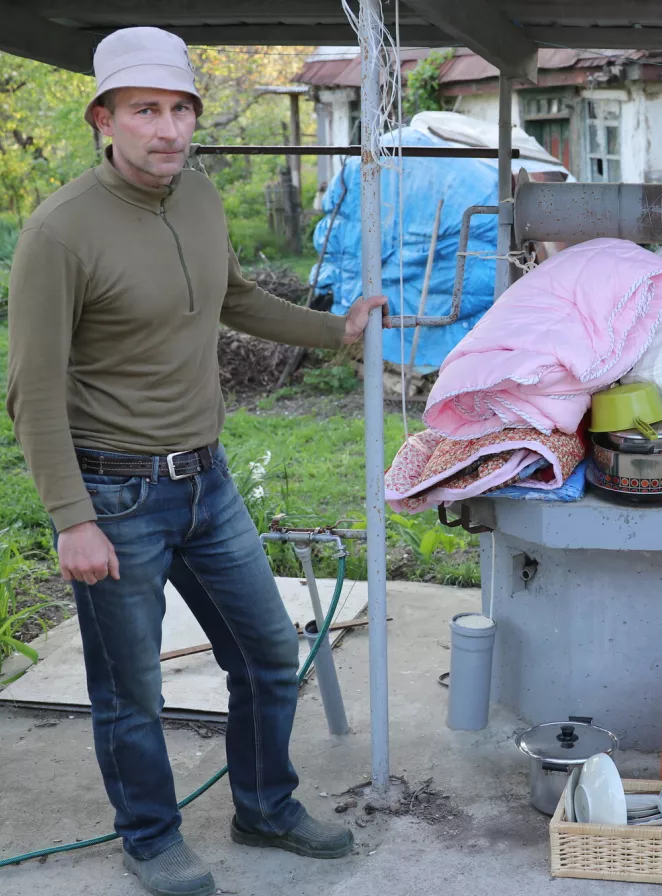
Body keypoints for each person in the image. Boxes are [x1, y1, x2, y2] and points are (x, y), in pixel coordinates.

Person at [5, 28, 394, 896]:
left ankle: (264, 805)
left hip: (205, 484)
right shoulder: (60, 233)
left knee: (264, 652)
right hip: (113, 494)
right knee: (131, 691)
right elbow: (32, 390)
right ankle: (149, 835)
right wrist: (72, 519)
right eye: (146, 110)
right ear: (104, 118)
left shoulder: (199, 198)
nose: (169, 130)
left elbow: (236, 298)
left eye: (182, 109)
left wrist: (334, 330)